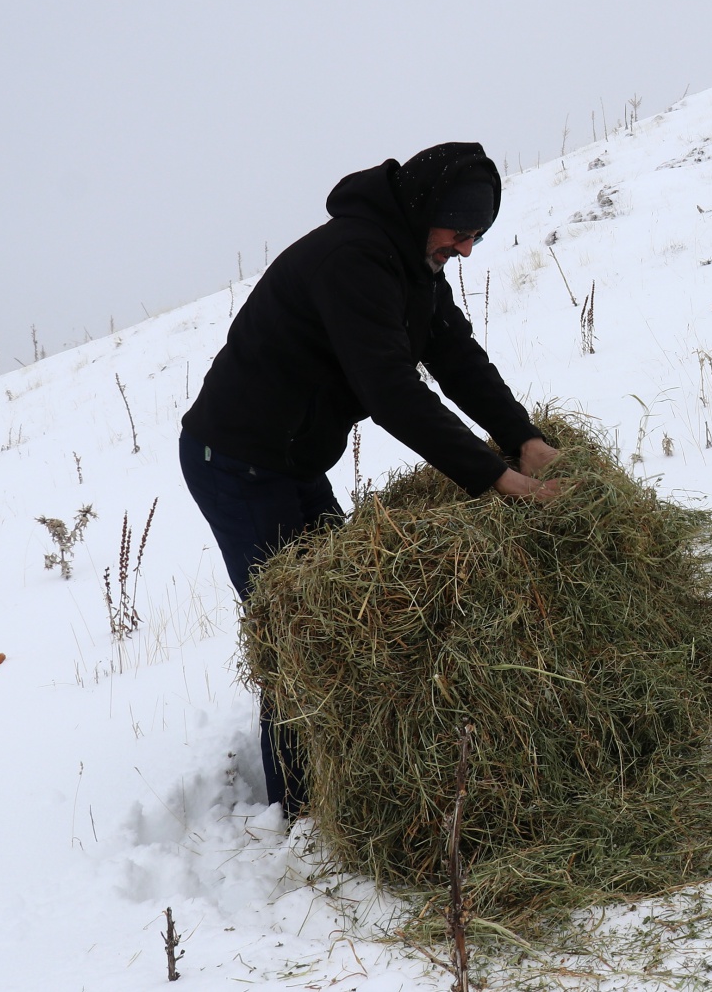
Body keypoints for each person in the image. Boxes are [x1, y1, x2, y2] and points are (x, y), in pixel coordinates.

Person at [180, 141, 558, 818]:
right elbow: (391, 392)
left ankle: (340, 784)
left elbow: (455, 356)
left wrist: (523, 437)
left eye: (479, 235)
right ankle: (299, 812)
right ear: (424, 212)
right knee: (296, 634)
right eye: (460, 231)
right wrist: (496, 478)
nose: (468, 248)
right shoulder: (354, 260)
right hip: (235, 462)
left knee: (338, 621)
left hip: (292, 459)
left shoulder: (411, 262)